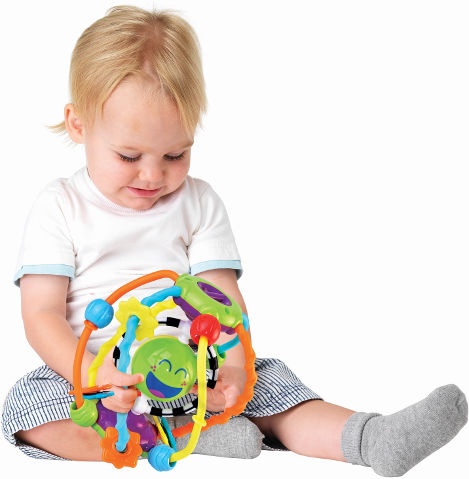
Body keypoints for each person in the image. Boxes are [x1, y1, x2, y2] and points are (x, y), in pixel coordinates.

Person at [1, 5, 466, 476]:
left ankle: (370, 438)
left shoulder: (198, 202)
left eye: (175, 154)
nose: (153, 175)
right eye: (128, 156)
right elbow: (42, 315)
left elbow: (222, 299)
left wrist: (235, 367)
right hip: (105, 380)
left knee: (273, 384)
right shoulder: (59, 205)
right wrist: (94, 373)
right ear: (78, 124)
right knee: (25, 407)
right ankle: (182, 436)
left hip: (196, 373)